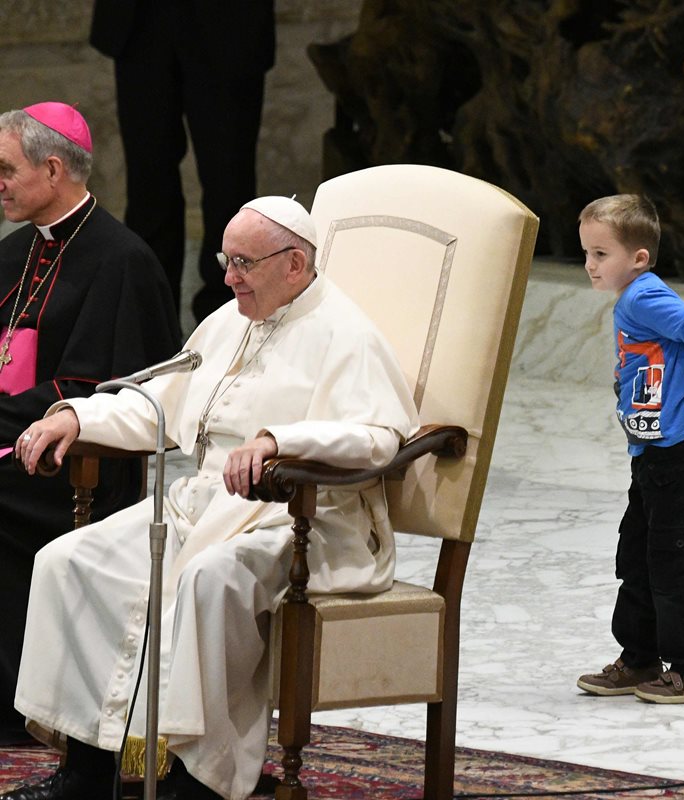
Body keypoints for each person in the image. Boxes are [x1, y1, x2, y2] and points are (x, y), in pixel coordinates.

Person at [2, 196, 419, 800]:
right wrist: (77, 418)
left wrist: (282, 441)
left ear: (295, 265)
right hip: (202, 502)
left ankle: (201, 778)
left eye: (243, 262)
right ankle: (87, 769)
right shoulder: (229, 321)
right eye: (226, 259)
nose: (227, 276)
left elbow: (381, 439)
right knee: (67, 562)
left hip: (299, 518)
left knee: (208, 578)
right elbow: (160, 405)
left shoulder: (347, 335)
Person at [0, 102, 180, 746]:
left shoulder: (122, 260)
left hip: (75, 467)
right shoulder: (15, 252)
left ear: (53, 170)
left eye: (6, 170)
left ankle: (24, 699)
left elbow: (115, 389)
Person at [574, 194, 684, 704]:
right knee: (636, 554)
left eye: (601, 254)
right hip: (655, 456)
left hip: (680, 456)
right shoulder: (637, 299)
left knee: (668, 560)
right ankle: (640, 658)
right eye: (586, 252)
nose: (589, 264)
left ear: (638, 258)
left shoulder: (642, 298)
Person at [90, 0, 276, 322]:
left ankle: (230, 321)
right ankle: (149, 326)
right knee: (147, 184)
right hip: (140, 19)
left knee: (229, 181)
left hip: (229, 19)